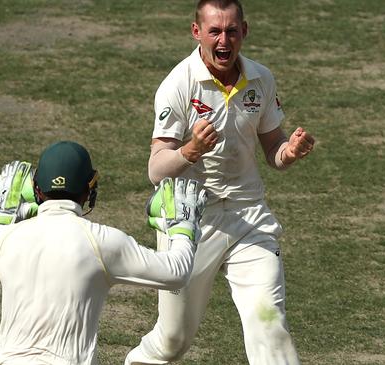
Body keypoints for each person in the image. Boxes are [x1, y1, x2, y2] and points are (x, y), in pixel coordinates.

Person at [125, 1, 315, 364]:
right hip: (191, 223)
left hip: (249, 218)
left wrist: (287, 152)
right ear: (197, 32)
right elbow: (156, 170)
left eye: (231, 30)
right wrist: (191, 150)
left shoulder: (260, 78)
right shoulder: (177, 85)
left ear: (244, 31)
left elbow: (273, 146)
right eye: (214, 31)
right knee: (172, 340)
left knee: (269, 324)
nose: (223, 40)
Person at [0, 140, 207, 365]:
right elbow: (176, 272)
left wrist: (4, 214)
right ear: (89, 190)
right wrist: (183, 228)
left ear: (35, 189)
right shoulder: (103, 242)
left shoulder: (6, 237)